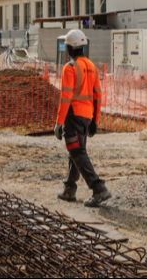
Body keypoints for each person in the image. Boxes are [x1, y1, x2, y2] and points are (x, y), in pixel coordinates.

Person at [54, 29, 111, 207]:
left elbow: (66, 98)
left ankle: (98, 188)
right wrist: (95, 120)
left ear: (70, 49)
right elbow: (98, 95)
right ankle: (69, 189)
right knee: (76, 153)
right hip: (87, 117)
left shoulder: (70, 68)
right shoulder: (92, 67)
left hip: (73, 117)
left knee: (77, 152)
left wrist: (59, 123)